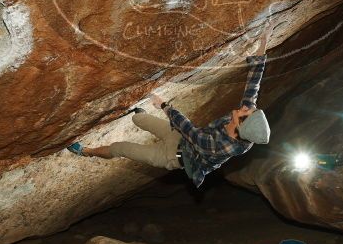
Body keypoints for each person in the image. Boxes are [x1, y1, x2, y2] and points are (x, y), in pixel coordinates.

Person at [68, 25, 272, 188]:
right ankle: (138, 116)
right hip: (181, 139)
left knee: (121, 148)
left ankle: (86, 151)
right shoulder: (245, 122)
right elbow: (253, 87)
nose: (246, 107)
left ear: (238, 128)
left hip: (173, 157)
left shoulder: (222, 146)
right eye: (250, 109)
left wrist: (164, 105)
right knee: (138, 118)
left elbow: (190, 131)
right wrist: (263, 43)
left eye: (245, 112)